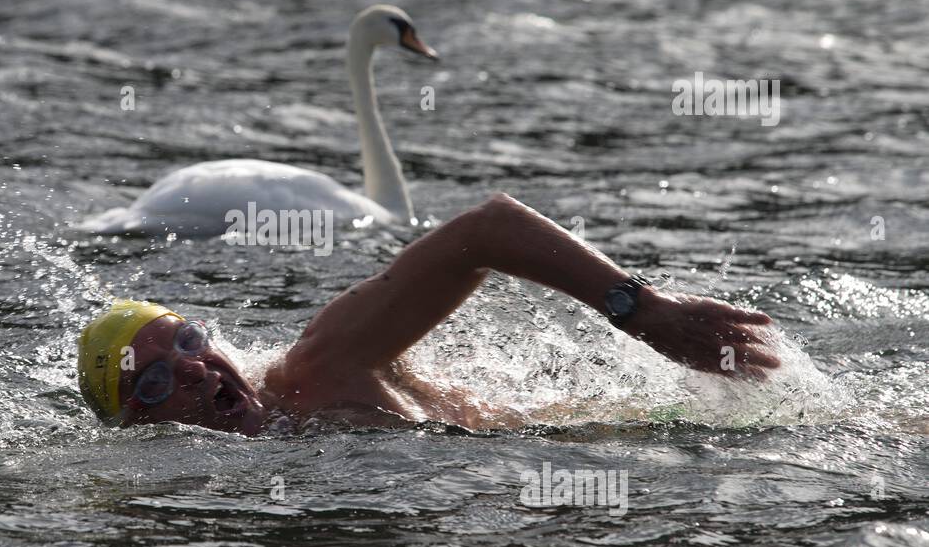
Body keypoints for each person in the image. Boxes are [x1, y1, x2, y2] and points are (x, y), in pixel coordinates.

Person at [76, 193, 779, 435]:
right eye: (159, 382)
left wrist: (642, 309)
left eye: (190, 342)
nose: (197, 371)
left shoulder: (323, 367)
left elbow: (490, 228)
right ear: (137, 425)